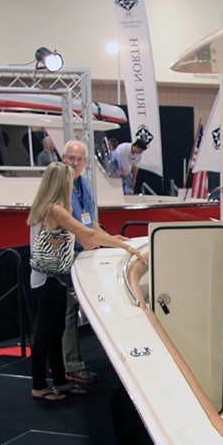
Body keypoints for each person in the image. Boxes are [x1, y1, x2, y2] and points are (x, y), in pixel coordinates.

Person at [27, 163, 143, 401]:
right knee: (44, 334)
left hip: (52, 280)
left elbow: (88, 232)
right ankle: (39, 385)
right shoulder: (57, 210)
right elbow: (88, 236)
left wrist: (112, 238)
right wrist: (125, 246)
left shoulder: (48, 208)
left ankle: (59, 380)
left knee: (55, 332)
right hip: (49, 280)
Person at [60, 139, 125, 384]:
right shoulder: (61, 186)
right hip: (69, 256)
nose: (74, 163)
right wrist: (110, 242)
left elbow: (90, 223)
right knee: (68, 312)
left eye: (79, 159)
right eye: (70, 158)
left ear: (86, 163)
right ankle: (71, 364)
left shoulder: (82, 184)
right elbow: (76, 229)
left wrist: (108, 238)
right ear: (63, 158)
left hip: (86, 254)